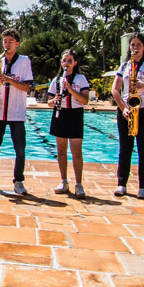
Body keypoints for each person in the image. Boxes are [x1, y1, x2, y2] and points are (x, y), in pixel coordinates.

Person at [113, 32, 144, 198]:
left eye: (138, 45)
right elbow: (115, 90)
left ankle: (142, 187)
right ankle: (121, 184)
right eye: (132, 45)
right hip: (127, 111)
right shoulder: (125, 65)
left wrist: (143, 85)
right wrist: (123, 108)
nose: (135, 48)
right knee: (125, 148)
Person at [0, 28, 33, 195]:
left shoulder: (24, 61)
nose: (7, 44)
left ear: (17, 44)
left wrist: (8, 80)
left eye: (10, 41)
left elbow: (27, 87)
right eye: (5, 41)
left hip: (17, 113)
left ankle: (19, 181)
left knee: (20, 150)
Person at [46, 50, 91, 198]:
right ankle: (63, 180)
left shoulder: (81, 79)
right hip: (60, 114)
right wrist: (54, 101)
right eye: (64, 60)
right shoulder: (56, 80)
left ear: (75, 63)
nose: (67, 64)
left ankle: (78, 183)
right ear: (61, 62)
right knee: (61, 150)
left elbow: (85, 100)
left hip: (75, 115)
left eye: (70, 61)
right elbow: (49, 102)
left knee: (76, 151)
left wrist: (71, 90)